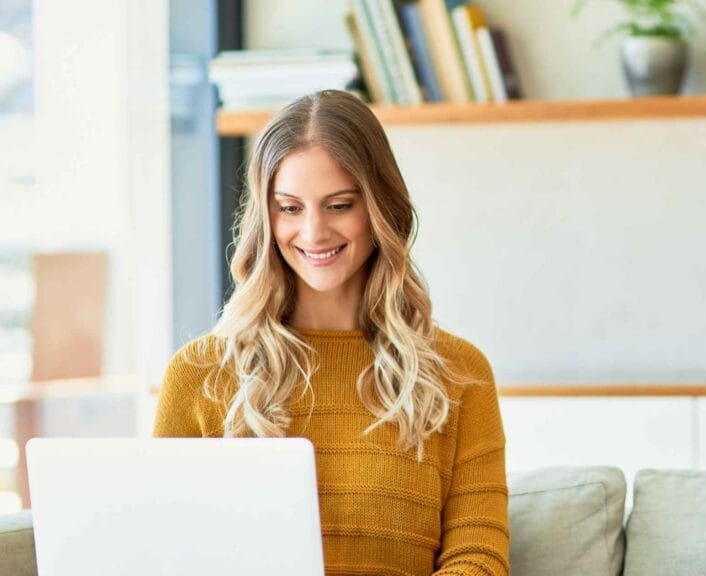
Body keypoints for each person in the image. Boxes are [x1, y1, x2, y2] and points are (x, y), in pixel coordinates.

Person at [153, 89, 509, 576]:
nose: (314, 233)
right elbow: (166, 552)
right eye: (290, 208)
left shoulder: (461, 374)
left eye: (339, 205)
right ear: (265, 215)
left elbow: (479, 557)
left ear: (381, 210)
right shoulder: (198, 375)